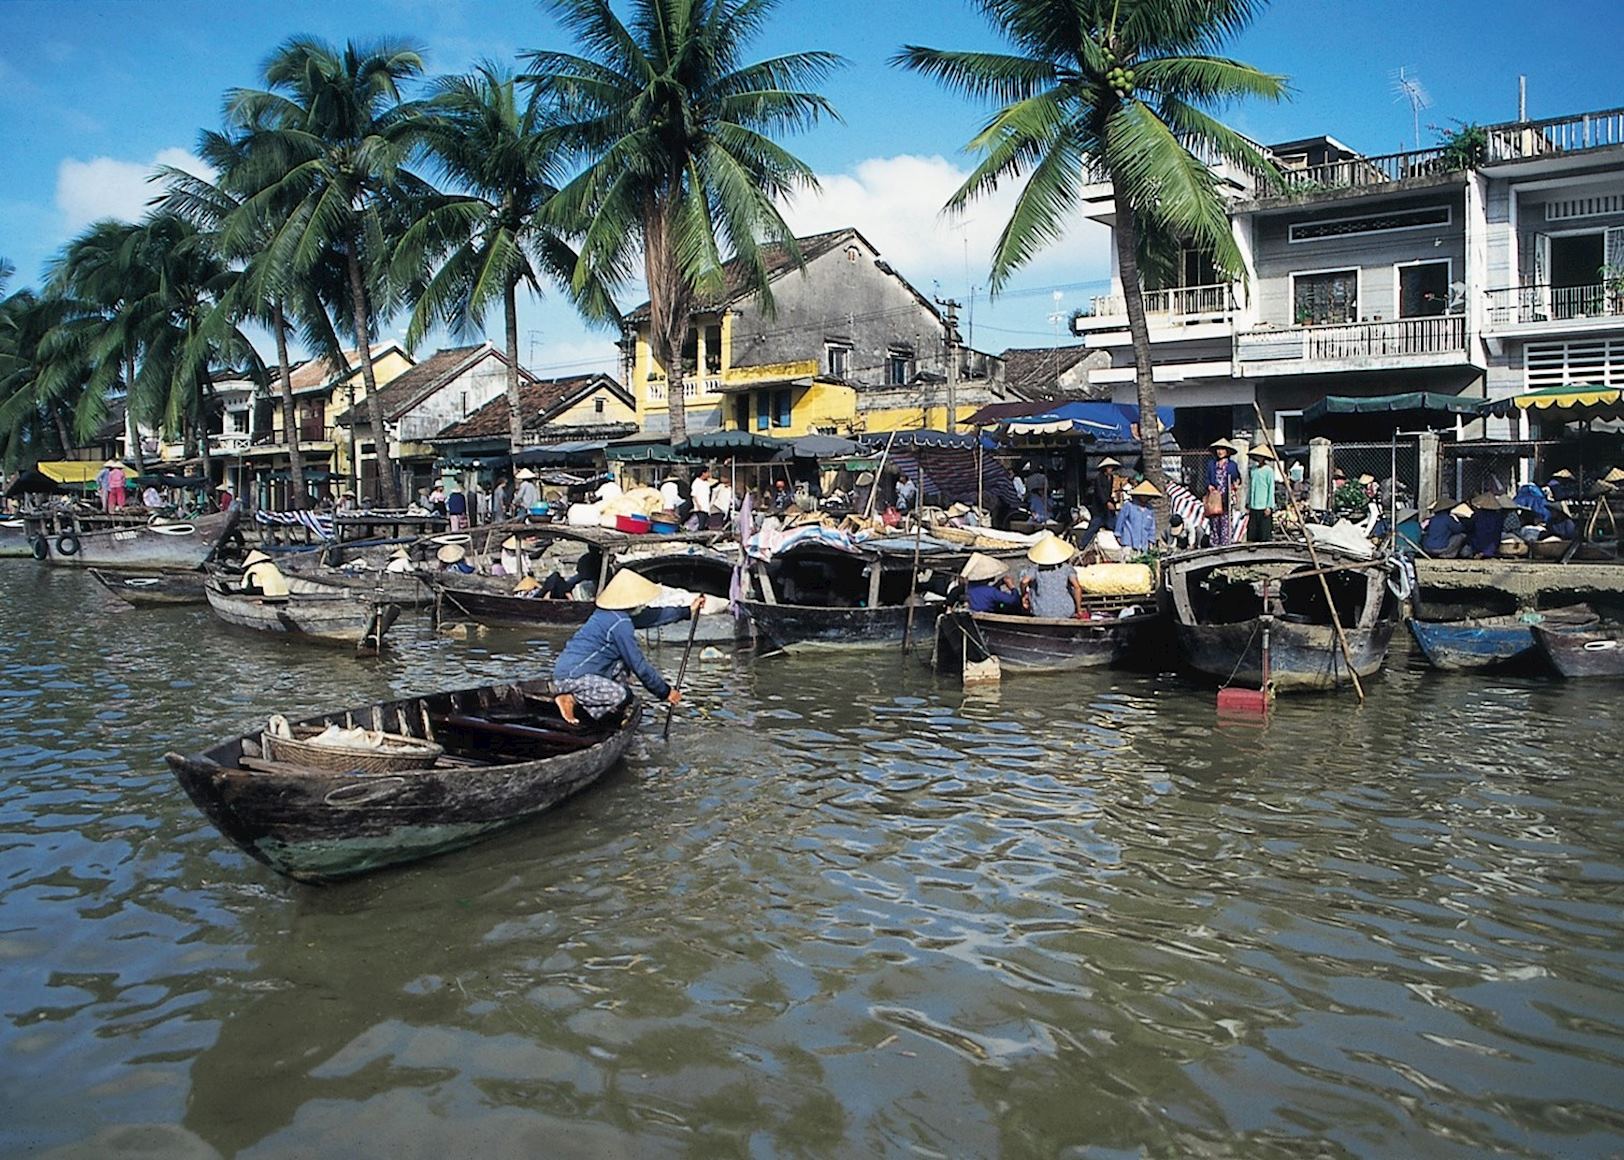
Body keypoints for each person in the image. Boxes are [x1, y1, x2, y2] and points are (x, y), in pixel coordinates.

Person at [551, 569, 703, 725]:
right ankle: (570, 698)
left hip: (568, 671)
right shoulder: (620, 624)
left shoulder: (610, 614)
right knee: (620, 695)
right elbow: (639, 666)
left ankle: (606, 709)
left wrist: (686, 610)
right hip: (572, 679)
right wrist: (664, 691)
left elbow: (651, 617)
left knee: (622, 668)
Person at [1020, 531, 1083, 619]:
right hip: (1066, 610)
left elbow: (1024, 581)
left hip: (1040, 610)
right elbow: (1077, 587)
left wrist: (1024, 594)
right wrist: (1079, 610)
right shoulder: (1067, 568)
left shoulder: (1036, 568)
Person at [1204, 439, 1240, 546]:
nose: (1220, 452)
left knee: (1226, 520)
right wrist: (1209, 485)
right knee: (1214, 520)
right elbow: (1206, 478)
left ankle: (1226, 543)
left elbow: (1237, 478)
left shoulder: (1232, 465)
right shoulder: (1211, 464)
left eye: (1222, 449)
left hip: (1227, 495)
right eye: (1218, 449)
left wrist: (1236, 484)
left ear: (1227, 452)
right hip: (1215, 496)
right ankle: (1214, 543)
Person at [1079, 457, 1121, 547]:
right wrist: (1106, 502)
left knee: (1113, 524)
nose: (1111, 470)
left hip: (1107, 509)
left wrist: (1112, 502)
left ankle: (1117, 543)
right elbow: (1100, 492)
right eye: (1109, 467)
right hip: (1099, 508)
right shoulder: (1099, 478)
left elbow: (1108, 493)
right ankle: (1082, 544)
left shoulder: (1111, 478)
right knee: (1094, 526)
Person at [1114, 480, 1160, 552]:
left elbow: (1152, 527)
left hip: (1143, 544)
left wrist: (1151, 540)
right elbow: (1120, 520)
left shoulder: (1149, 509)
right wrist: (1118, 535)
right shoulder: (1129, 505)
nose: (1146, 498)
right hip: (1128, 541)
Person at [1245, 443, 1278, 543]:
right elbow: (1250, 488)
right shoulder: (1253, 470)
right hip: (1254, 505)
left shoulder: (1269, 471)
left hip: (1264, 505)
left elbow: (1271, 488)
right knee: (1252, 532)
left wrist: (1269, 506)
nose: (1258, 458)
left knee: (1264, 532)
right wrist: (1248, 502)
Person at [1467, 492, 1509, 558]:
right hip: (1493, 547)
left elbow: (1469, 528)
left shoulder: (1477, 514)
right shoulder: (1499, 516)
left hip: (1477, 545)